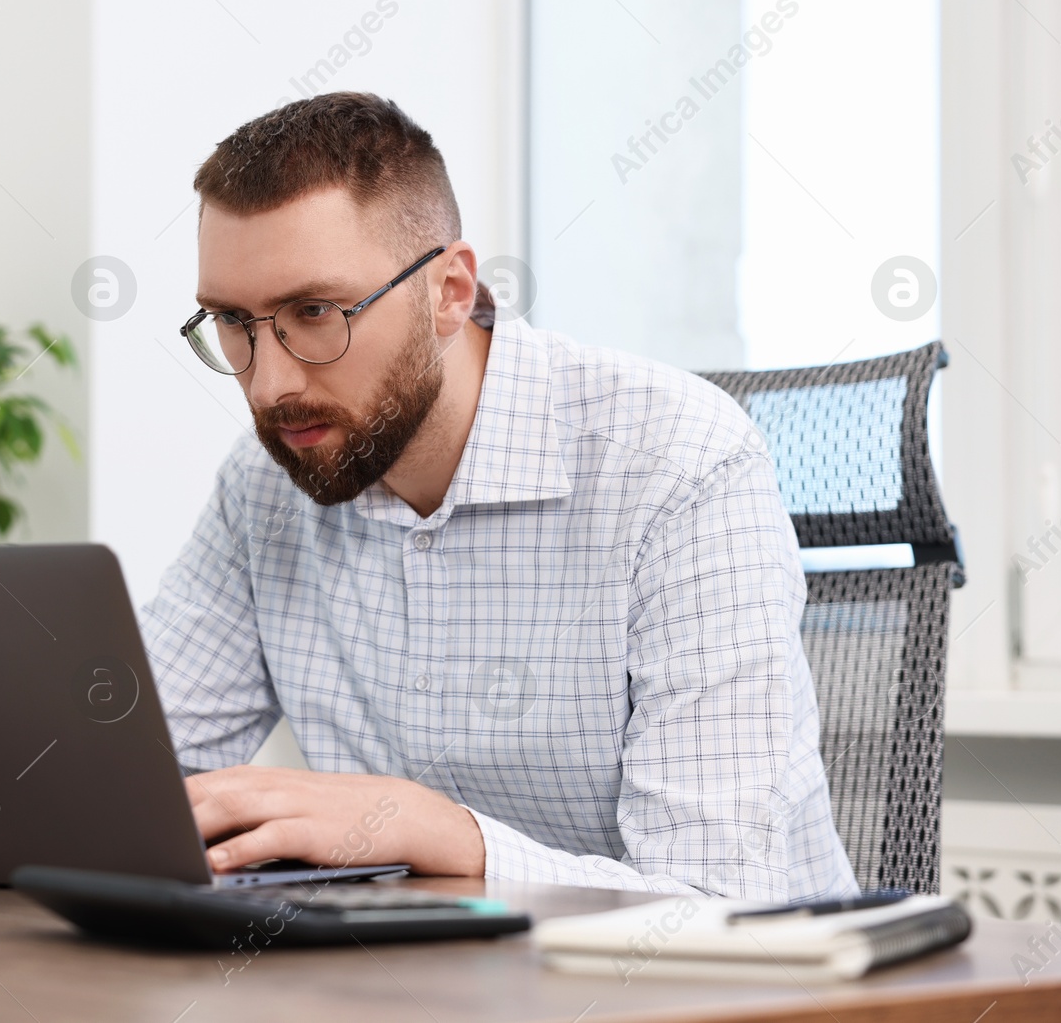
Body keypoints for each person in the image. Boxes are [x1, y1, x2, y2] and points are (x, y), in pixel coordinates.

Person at [140, 91, 858, 901]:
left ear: (449, 291)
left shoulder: (679, 464)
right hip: (412, 986)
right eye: (234, 321)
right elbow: (128, 781)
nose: (269, 383)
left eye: (315, 312)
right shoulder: (265, 483)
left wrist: (432, 829)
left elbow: (717, 892)